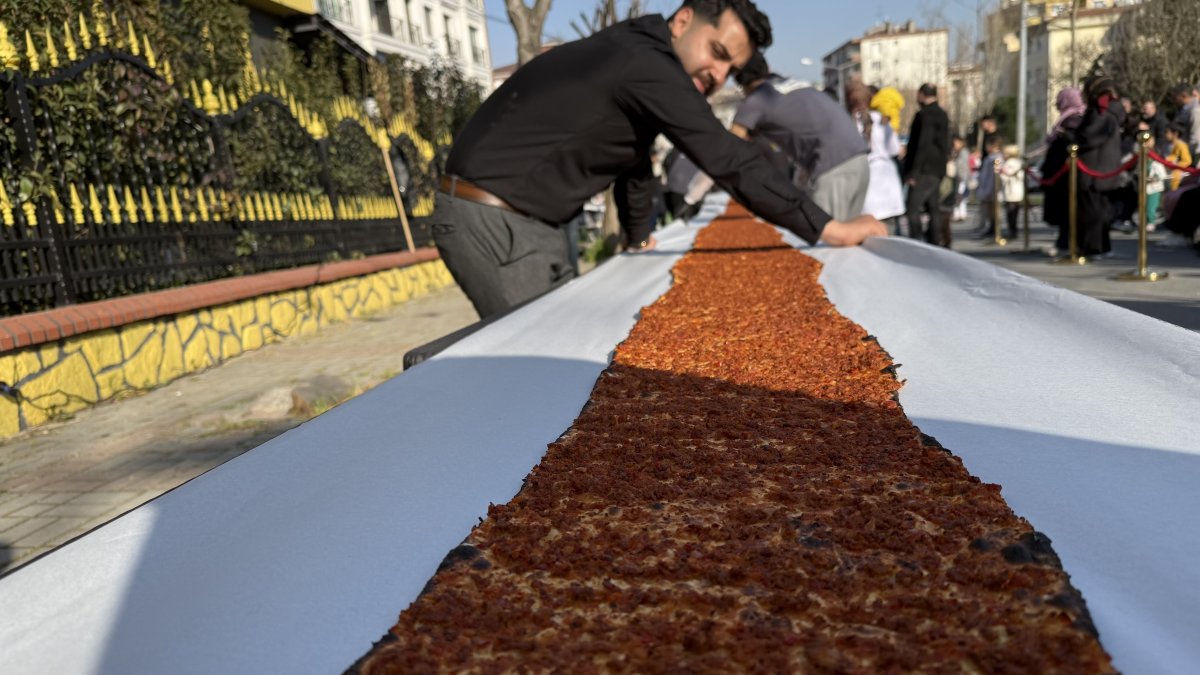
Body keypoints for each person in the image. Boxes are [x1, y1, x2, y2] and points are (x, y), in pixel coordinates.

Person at [433, 0, 886, 318]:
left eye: (730, 67)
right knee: (536, 367)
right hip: (497, 222)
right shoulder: (645, 63)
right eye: (718, 53)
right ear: (683, 20)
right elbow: (726, 155)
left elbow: (630, 157)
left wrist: (636, 235)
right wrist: (829, 227)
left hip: (529, 222)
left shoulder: (635, 54)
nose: (719, 74)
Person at [729, 52, 870, 221]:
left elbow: (729, 148)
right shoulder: (795, 85)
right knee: (849, 235)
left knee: (830, 237)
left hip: (832, 168)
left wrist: (693, 197)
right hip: (858, 159)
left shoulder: (758, 99)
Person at [1071, 75, 1126, 257]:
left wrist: (1071, 138)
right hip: (1102, 169)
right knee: (1099, 210)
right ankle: (1100, 246)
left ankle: (1092, 247)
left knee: (1092, 211)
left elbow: (1090, 137)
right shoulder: (1108, 110)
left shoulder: (1103, 112)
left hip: (1094, 170)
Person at [848, 82, 904, 229]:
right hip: (887, 179)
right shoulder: (882, 120)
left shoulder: (850, 122)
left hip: (864, 181)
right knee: (890, 237)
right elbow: (895, 150)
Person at [901, 83, 951, 246]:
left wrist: (913, 172)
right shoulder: (942, 114)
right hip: (937, 169)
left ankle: (917, 243)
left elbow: (922, 144)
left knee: (912, 208)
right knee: (933, 207)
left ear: (922, 95)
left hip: (924, 169)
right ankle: (935, 241)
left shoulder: (924, 115)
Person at [1039, 87, 1086, 255]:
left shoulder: (1073, 120)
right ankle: (1064, 240)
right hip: (1061, 172)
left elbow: (1073, 143)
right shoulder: (1066, 120)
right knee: (1065, 209)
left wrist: (1064, 135)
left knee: (1067, 208)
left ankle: (1067, 242)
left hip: (1066, 173)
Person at [973, 137, 1002, 239]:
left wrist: (991, 189)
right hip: (986, 186)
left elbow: (995, 176)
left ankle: (995, 229)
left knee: (994, 210)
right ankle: (991, 227)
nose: (987, 148)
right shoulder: (989, 158)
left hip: (993, 187)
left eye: (989, 146)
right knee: (989, 210)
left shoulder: (996, 158)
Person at [998, 144, 1025, 240]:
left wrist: (1001, 172)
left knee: (1011, 213)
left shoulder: (1011, 163)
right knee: (1012, 213)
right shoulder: (1016, 162)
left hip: (1012, 190)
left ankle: (1013, 231)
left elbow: (1007, 175)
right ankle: (1012, 230)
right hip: (1013, 190)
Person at [1171, 83, 1200, 156]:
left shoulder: (1195, 111)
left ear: (1184, 95)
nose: (1174, 99)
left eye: (1176, 97)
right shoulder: (1181, 110)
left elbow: (1195, 137)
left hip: (1192, 154)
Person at [1165, 122, 1193, 191]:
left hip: (1178, 177)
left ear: (1175, 133)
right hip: (1170, 175)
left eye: (1167, 132)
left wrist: (1175, 165)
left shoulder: (1181, 145)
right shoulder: (1168, 145)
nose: (1165, 135)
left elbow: (1187, 161)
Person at [950, 135, 970, 222]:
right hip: (960, 177)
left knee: (959, 196)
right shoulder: (958, 152)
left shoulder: (963, 152)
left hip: (961, 177)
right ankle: (960, 213)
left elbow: (962, 166)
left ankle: (959, 213)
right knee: (960, 196)